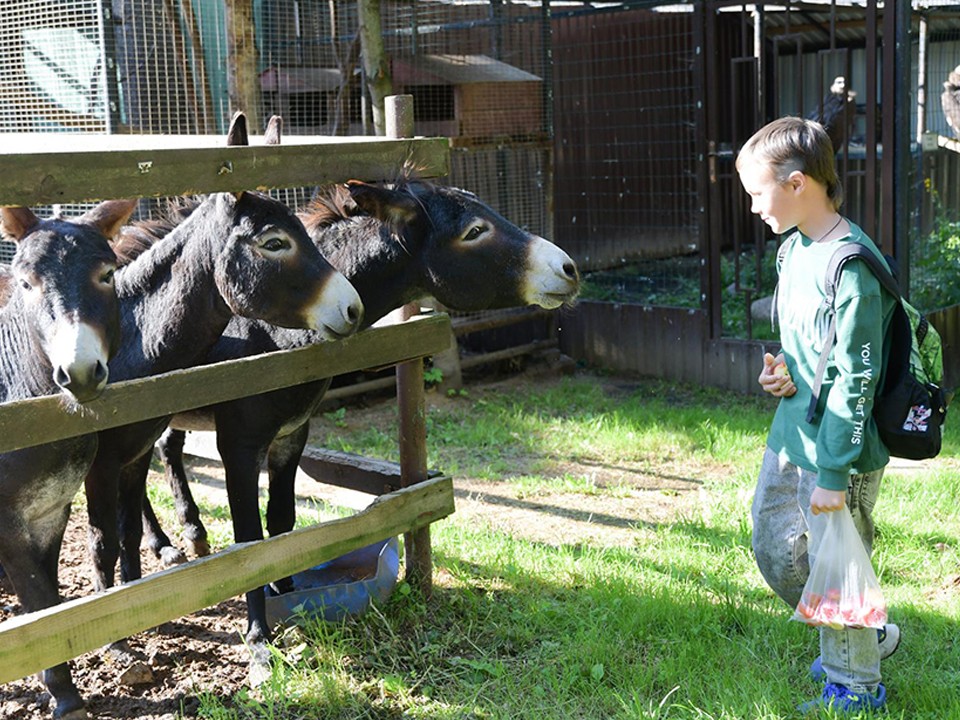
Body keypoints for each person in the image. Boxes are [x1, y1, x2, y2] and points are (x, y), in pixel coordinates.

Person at [736, 116, 901, 713]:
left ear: (798, 183)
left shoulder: (851, 267)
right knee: (774, 544)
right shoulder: (794, 251)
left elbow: (856, 379)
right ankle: (866, 634)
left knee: (839, 564)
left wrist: (834, 476)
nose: (752, 206)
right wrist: (780, 374)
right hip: (791, 435)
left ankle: (856, 681)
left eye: (757, 192)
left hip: (842, 453)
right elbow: (809, 348)